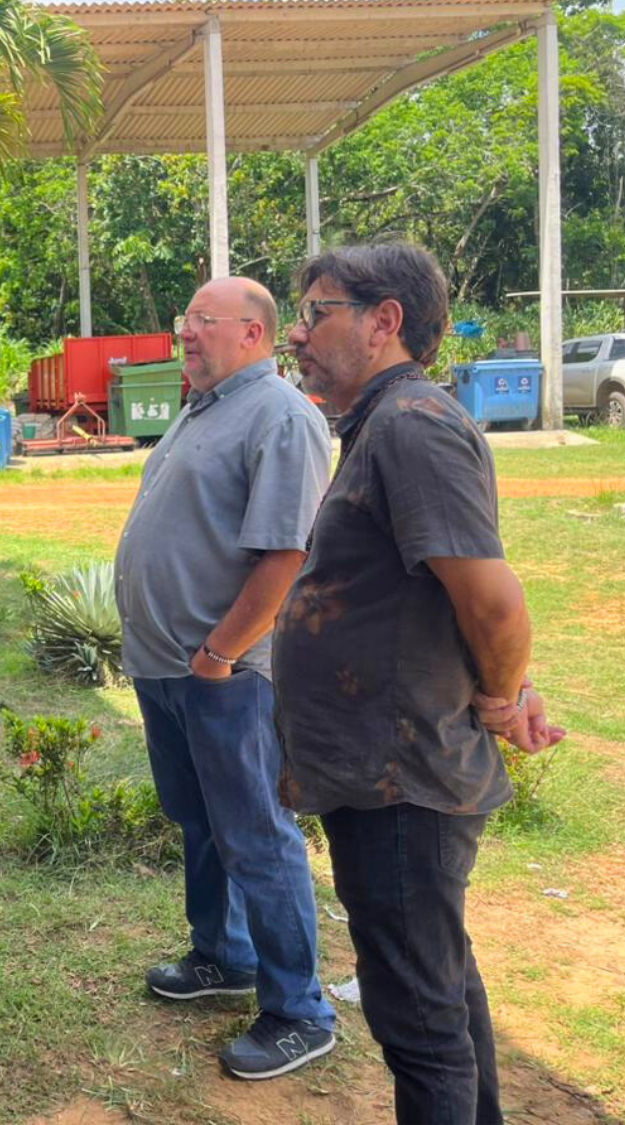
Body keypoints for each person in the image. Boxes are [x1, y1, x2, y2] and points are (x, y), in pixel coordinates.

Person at [277, 241, 564, 1123]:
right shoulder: (385, 423)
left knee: (419, 1018)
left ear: (384, 321)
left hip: (402, 777)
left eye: (317, 310)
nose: (298, 333)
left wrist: (503, 696)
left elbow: (493, 603)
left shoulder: (410, 425)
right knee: (436, 980)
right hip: (383, 772)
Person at [114, 276, 338, 1080]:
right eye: (186, 320)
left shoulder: (281, 415)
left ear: (256, 334)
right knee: (202, 821)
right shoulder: (204, 406)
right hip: (169, 665)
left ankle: (299, 1009)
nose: (188, 332)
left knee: (255, 835)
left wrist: (219, 655)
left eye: (204, 321)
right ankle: (224, 954)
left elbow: (287, 553)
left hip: (225, 672)